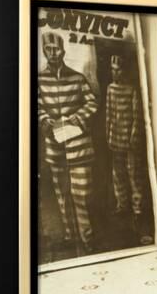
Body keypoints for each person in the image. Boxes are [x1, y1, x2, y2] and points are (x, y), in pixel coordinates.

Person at [37, 32, 98, 253]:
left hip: (79, 146)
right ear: (44, 51)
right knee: (62, 194)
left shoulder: (77, 77)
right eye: (48, 49)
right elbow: (35, 106)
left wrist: (77, 117)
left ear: (63, 50)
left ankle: (88, 239)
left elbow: (92, 103)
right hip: (55, 147)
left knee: (81, 193)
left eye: (56, 49)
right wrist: (46, 121)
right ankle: (70, 236)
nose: (53, 53)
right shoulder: (38, 80)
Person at [105, 54, 146, 234]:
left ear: (124, 70)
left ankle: (137, 209)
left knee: (133, 174)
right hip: (116, 140)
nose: (115, 73)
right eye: (113, 70)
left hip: (129, 142)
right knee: (117, 174)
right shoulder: (110, 89)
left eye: (118, 69)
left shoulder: (131, 89)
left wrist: (133, 137)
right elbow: (109, 114)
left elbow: (137, 116)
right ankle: (122, 204)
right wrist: (108, 134)